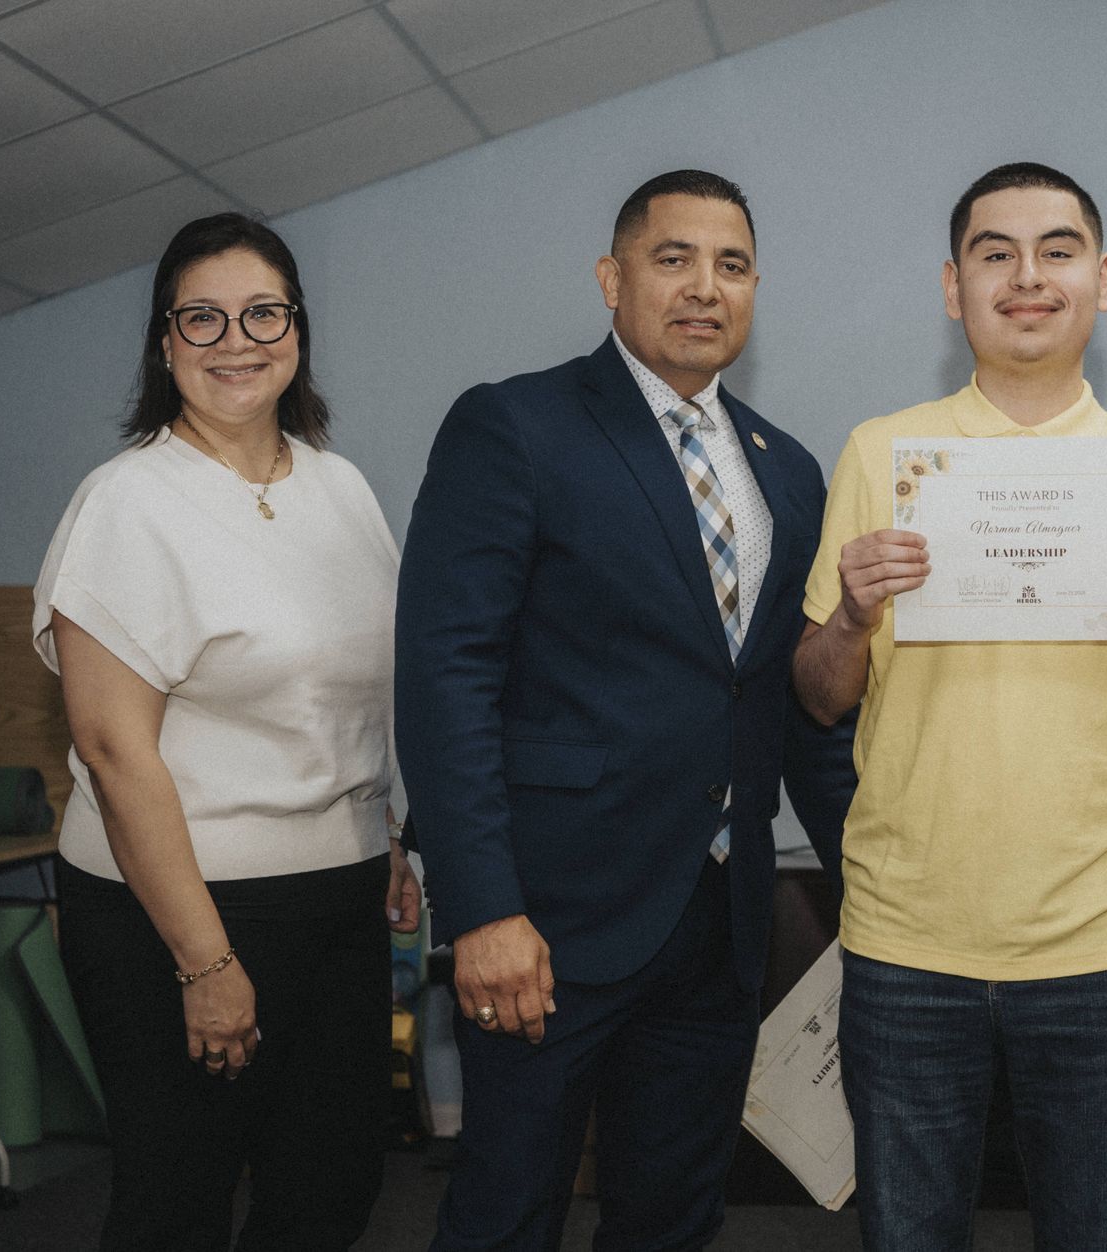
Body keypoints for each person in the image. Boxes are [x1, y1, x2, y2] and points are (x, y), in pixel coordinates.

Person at [394, 169, 855, 1252]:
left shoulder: (786, 472)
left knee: (672, 1218)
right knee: (507, 1214)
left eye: (732, 265)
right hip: (546, 921)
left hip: (720, 925)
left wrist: (874, 884)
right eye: (673, 258)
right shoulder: (514, 425)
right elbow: (444, 675)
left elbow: (791, 707)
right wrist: (482, 907)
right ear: (612, 278)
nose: (705, 286)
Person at [791, 162, 1107, 1250]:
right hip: (906, 942)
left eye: (1057, 249)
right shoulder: (884, 454)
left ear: (1105, 278)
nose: (1027, 276)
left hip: (1097, 943)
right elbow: (816, 695)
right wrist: (849, 616)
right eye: (995, 253)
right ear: (955, 287)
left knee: (1100, 1232)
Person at [32, 212, 419, 1251]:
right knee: (178, 1199)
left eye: (262, 313)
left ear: (298, 331)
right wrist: (206, 964)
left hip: (338, 894)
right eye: (201, 318)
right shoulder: (126, 503)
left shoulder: (341, 488)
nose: (235, 340)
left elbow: (352, 689)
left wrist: (383, 832)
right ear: (164, 344)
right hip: (173, 909)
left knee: (331, 1186)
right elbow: (115, 756)